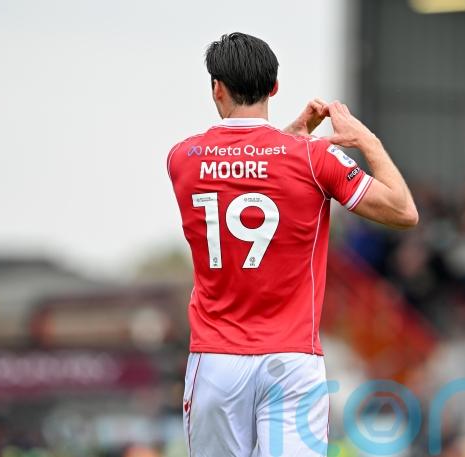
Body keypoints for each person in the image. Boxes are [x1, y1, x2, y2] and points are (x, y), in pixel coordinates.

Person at [167, 32, 418, 457]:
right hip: (293, 360)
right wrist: (366, 141)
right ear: (275, 87)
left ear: (217, 88)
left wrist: (286, 140)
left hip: (215, 360)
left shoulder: (183, 158)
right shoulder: (312, 158)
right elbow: (403, 210)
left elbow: (248, 172)